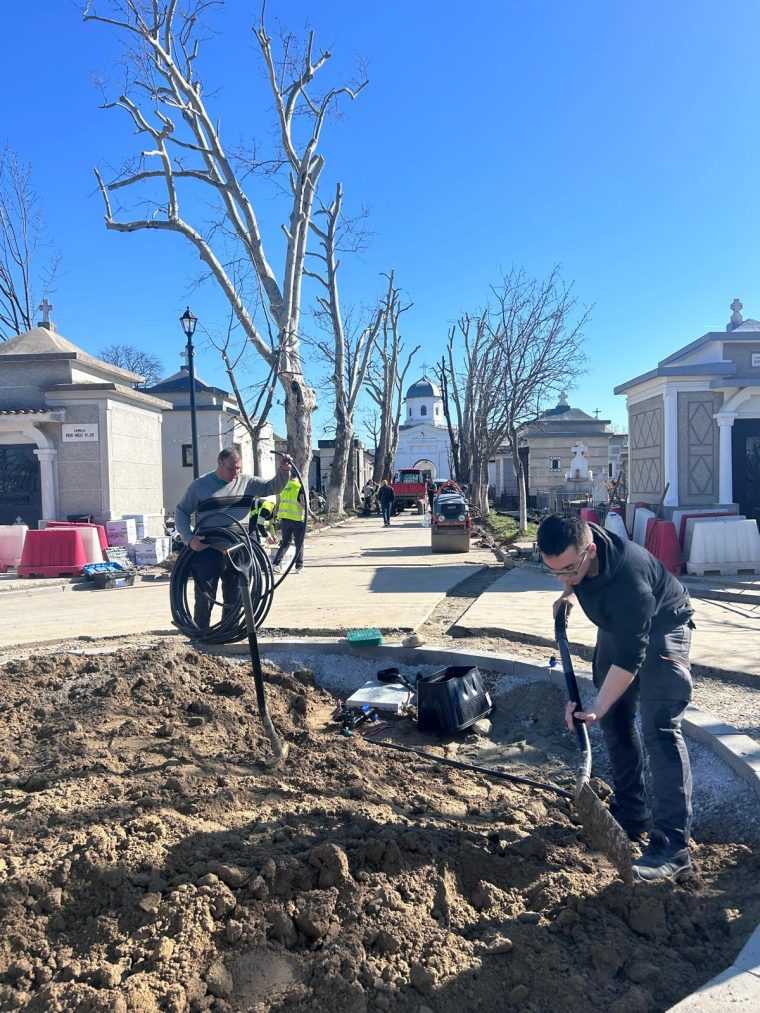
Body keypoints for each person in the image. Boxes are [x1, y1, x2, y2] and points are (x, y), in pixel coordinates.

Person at [537, 513, 695, 884]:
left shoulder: (629, 583)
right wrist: (568, 592)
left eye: (569, 570)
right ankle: (632, 813)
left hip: (663, 626)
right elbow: (572, 570)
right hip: (618, 629)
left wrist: (595, 707)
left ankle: (674, 847)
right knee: (616, 721)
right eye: (554, 571)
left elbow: (630, 659)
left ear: (590, 551)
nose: (564, 576)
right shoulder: (580, 547)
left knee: (659, 729)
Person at [176, 448, 291, 630]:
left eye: (238, 468)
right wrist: (189, 538)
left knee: (236, 596)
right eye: (232, 468)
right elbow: (181, 511)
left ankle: (229, 633)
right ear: (220, 463)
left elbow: (272, 487)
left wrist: (284, 470)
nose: (236, 473)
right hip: (208, 548)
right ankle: (201, 637)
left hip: (238, 547)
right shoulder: (200, 486)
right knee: (205, 596)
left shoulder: (247, 482)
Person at [272, 471, 307, 574]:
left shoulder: (284, 486)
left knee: (285, 542)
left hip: (285, 519)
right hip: (297, 519)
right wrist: (308, 512)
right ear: (298, 476)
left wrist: (276, 516)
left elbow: (278, 502)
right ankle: (299, 566)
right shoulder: (299, 487)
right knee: (299, 543)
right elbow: (303, 503)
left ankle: (276, 564)